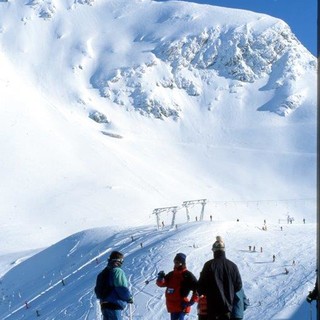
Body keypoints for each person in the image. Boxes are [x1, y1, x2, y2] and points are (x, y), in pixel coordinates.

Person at [198, 236, 242, 320]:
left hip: (212, 308)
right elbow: (238, 286)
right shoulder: (233, 266)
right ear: (224, 250)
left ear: (214, 250)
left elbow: (201, 287)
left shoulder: (209, 265)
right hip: (227, 308)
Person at [156, 253, 199, 320]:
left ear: (182, 263)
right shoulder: (171, 274)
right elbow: (161, 284)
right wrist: (160, 278)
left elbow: (197, 289)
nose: (175, 264)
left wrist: (191, 302)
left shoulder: (187, 275)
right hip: (172, 307)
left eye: (177, 262)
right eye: (174, 262)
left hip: (181, 306)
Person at [94, 251, 133, 320]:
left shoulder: (101, 274)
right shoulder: (117, 271)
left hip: (104, 306)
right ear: (119, 260)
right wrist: (128, 297)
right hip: (114, 305)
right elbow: (121, 288)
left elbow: (97, 291)